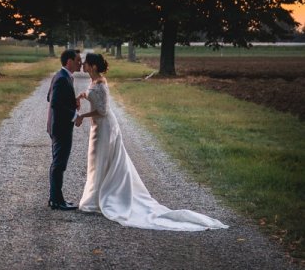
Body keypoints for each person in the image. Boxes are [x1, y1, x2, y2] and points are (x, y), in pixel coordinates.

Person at [74, 52, 228, 230]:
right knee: (97, 161)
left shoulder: (101, 82)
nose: (83, 66)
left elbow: (103, 110)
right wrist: (81, 96)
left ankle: (97, 201)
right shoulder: (94, 81)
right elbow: (91, 93)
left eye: (85, 63)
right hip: (98, 128)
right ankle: (96, 198)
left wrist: (82, 116)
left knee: (100, 160)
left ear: (92, 66)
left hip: (105, 127)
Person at [47, 49, 81, 210]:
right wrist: (74, 115)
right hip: (60, 128)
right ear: (69, 61)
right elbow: (54, 103)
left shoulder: (61, 76)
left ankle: (56, 198)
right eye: (77, 60)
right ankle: (56, 200)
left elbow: (50, 97)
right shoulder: (62, 78)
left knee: (58, 163)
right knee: (59, 164)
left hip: (57, 126)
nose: (80, 63)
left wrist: (73, 101)